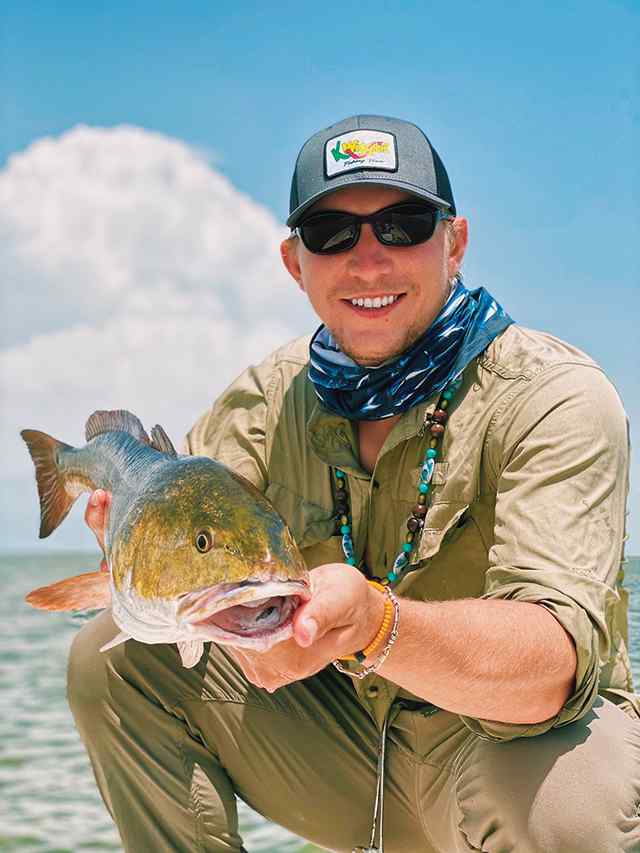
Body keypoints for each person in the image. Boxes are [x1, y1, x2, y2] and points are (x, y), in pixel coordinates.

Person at [68, 115, 640, 853]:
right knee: (111, 657)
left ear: (455, 242)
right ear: (293, 262)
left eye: (403, 225)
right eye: (332, 233)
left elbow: (550, 669)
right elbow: (184, 526)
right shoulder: (263, 401)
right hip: (338, 753)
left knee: (576, 800)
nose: (369, 262)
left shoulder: (554, 396)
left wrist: (375, 625)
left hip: (492, 751)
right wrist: (136, 540)